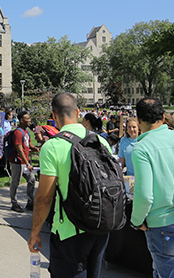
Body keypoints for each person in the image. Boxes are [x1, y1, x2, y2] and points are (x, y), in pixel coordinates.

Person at [28, 92, 109, 277]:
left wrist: (35, 232)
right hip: (100, 225)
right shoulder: (100, 140)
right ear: (78, 112)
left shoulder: (53, 146)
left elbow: (44, 197)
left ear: (53, 115)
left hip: (69, 230)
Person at [130, 98, 174, 278]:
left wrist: (136, 220)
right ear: (163, 117)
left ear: (139, 120)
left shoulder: (142, 148)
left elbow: (145, 194)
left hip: (162, 223)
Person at [9, 111, 36, 213]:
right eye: (27, 119)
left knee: (32, 180)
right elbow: (19, 149)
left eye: (29, 118)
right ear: (21, 120)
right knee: (15, 182)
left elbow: (29, 145)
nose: (29, 120)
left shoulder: (26, 131)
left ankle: (30, 202)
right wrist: (28, 164)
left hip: (25, 161)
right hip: (17, 162)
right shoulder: (18, 132)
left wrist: (38, 148)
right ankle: (14, 203)